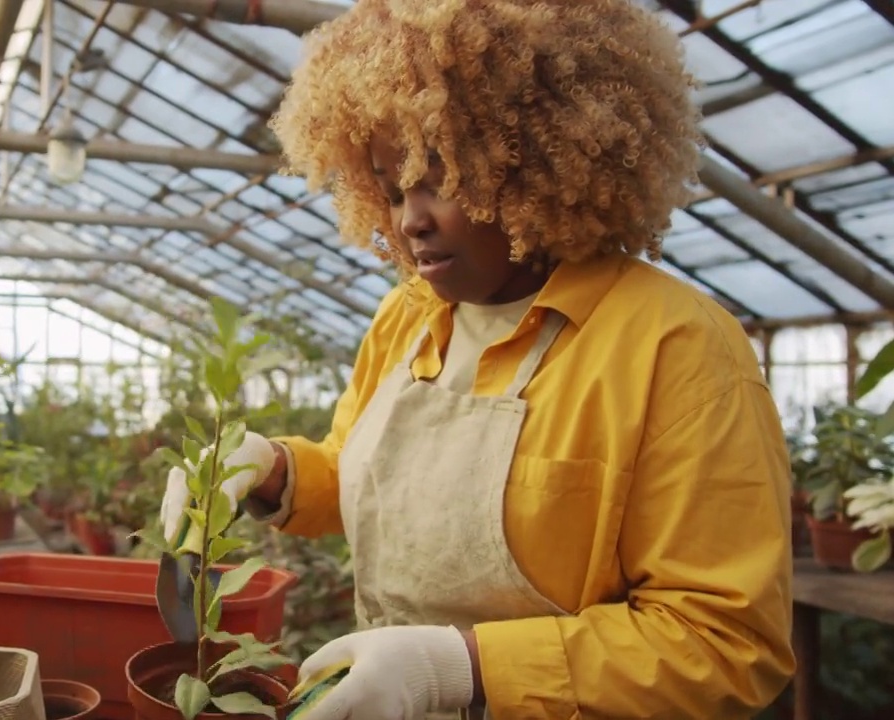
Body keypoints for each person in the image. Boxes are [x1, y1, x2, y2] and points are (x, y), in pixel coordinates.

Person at [158, 0, 795, 718]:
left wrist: (459, 666)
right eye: (392, 188)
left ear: (539, 162)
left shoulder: (674, 345)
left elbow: (723, 642)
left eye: (442, 178)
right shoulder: (411, 316)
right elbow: (368, 477)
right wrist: (273, 471)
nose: (409, 220)